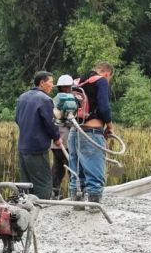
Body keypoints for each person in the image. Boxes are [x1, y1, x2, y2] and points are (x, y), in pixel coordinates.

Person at [68, 62, 114, 207]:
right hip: (91, 133)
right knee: (95, 172)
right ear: (106, 73)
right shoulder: (101, 81)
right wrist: (110, 126)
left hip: (74, 132)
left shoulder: (77, 82)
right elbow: (104, 107)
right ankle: (94, 208)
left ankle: (77, 205)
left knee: (76, 172)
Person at [15, 71, 61, 199]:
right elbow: (50, 123)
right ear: (42, 83)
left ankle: (26, 210)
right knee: (43, 183)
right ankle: (44, 210)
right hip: (37, 149)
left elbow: (17, 119)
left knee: (25, 184)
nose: (53, 85)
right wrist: (57, 137)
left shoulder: (22, 97)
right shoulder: (45, 99)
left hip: (23, 147)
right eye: (51, 82)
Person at [51, 74, 73, 199]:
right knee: (71, 167)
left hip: (56, 142)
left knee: (57, 167)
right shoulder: (70, 101)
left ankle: (55, 193)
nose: (66, 89)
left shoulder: (54, 100)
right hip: (65, 141)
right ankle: (73, 192)